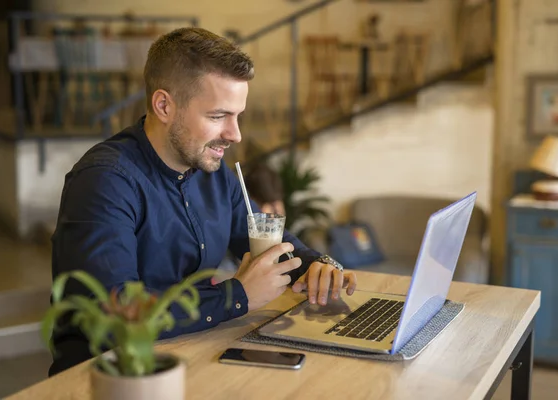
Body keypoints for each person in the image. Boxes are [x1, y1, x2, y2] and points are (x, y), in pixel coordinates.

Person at [48, 27, 357, 376]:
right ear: (164, 105)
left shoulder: (214, 172)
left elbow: (266, 242)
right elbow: (113, 313)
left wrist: (317, 265)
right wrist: (237, 296)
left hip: (191, 354)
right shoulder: (104, 180)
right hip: (110, 374)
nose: (235, 134)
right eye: (217, 116)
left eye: (237, 115)